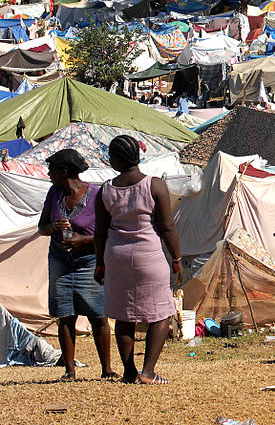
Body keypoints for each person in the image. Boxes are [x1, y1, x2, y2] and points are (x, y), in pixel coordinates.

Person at [94, 135, 182, 385]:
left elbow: (100, 232)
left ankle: (129, 371)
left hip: (116, 256)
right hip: (149, 256)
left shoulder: (106, 190)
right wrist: (176, 257)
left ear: (116, 159)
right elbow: (167, 227)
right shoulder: (154, 185)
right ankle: (148, 371)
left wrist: (100, 263)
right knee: (161, 313)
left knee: (124, 316)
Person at [37, 149, 117, 381]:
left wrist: (84, 240)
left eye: (52, 170)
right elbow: (41, 227)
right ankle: (70, 370)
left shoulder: (96, 194)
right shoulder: (54, 193)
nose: (49, 174)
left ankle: (107, 369)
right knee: (65, 314)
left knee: (98, 315)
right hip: (60, 261)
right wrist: (53, 227)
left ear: (65, 172)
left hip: (89, 261)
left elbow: (110, 232)